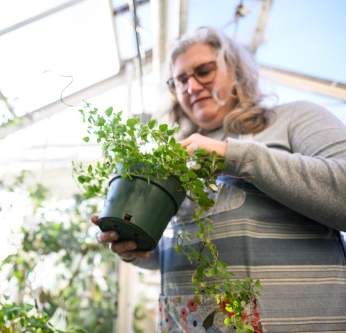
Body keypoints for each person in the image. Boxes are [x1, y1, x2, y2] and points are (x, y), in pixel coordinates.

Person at [91, 26, 346, 332]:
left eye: (204, 71)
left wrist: (234, 156)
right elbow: (174, 251)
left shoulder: (293, 118)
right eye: (180, 80)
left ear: (236, 72)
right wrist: (135, 246)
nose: (191, 86)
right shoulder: (171, 157)